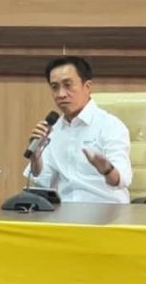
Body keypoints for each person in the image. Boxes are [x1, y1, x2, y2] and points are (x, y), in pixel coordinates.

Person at [23, 56, 132, 203]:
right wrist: (36, 158)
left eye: (68, 85)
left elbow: (122, 180)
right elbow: (43, 181)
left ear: (87, 87)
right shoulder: (53, 130)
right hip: (65, 212)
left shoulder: (110, 126)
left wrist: (106, 169)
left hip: (107, 211)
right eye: (55, 87)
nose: (61, 94)